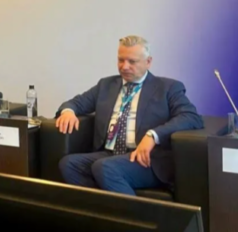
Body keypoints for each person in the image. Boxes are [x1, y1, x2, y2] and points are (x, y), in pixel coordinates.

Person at [55, 35, 204, 196]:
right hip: (110, 153)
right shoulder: (106, 85)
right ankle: (100, 208)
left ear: (148, 62)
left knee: (105, 167)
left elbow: (190, 116)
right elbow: (75, 103)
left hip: (146, 158)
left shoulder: (167, 88)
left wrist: (153, 135)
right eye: (121, 60)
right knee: (69, 164)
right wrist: (68, 112)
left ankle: (136, 212)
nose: (124, 66)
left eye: (132, 61)